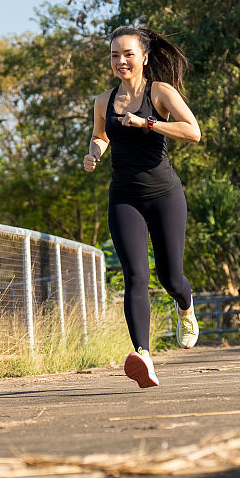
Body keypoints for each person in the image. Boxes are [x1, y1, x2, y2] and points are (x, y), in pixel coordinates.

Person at [83, 26, 201, 388]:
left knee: (170, 277)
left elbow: (193, 131)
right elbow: (101, 135)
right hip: (124, 196)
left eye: (128, 54)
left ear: (144, 57)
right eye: (115, 55)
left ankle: (186, 306)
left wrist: (147, 122)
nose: (121, 61)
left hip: (164, 194)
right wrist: (94, 154)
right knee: (135, 274)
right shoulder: (103, 101)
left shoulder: (160, 92)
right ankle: (143, 356)